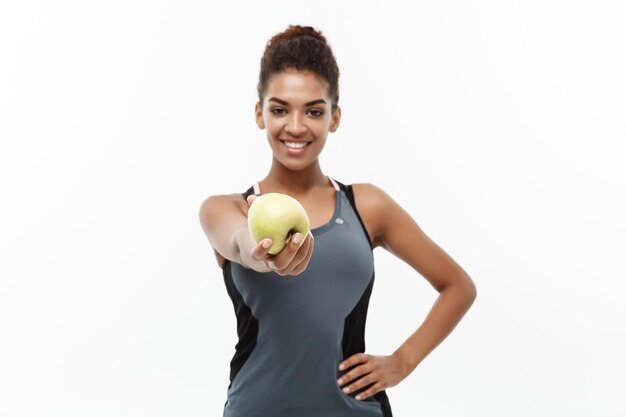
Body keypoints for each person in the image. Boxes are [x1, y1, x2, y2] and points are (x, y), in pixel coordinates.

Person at [199, 24, 477, 417]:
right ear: (260, 114)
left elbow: (457, 286)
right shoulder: (229, 209)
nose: (295, 126)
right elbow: (240, 242)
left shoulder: (366, 205)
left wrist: (401, 362)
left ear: (335, 118)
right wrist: (263, 256)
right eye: (280, 109)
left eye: (314, 111)